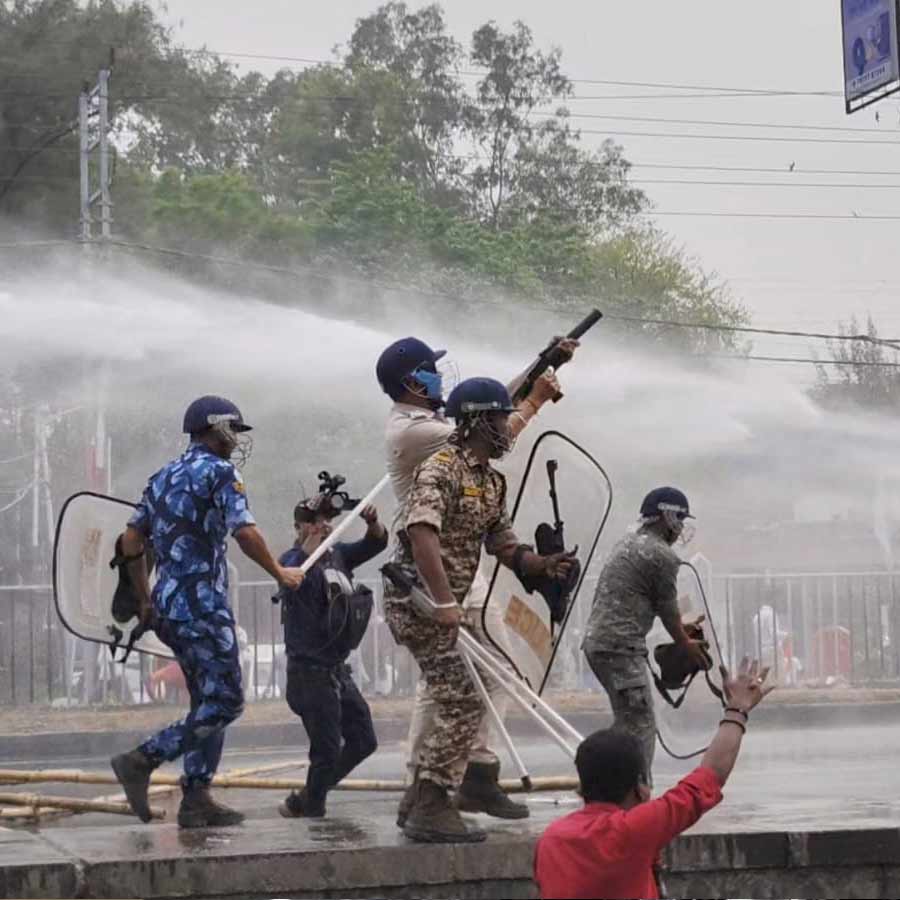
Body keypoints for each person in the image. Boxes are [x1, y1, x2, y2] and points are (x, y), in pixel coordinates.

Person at [377, 335, 576, 823]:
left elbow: (501, 539)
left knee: (481, 676)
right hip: (427, 590)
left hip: (459, 581)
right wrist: (533, 399)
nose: (503, 427)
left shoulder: (485, 474)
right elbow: (422, 530)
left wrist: (538, 564)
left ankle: (445, 785)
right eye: (429, 369)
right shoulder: (427, 445)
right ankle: (434, 795)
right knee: (461, 689)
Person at [110, 395, 304, 828]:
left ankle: (196, 797)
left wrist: (144, 598)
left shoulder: (162, 476)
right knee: (227, 701)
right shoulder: (220, 472)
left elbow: (129, 540)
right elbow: (246, 533)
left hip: (168, 608)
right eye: (233, 430)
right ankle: (142, 759)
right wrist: (279, 573)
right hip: (202, 606)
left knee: (205, 698)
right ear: (213, 427)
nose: (236, 440)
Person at [534, 657, 774, 900]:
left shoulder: (551, 840)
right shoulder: (633, 830)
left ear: (581, 787)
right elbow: (710, 776)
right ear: (639, 788)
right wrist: (737, 710)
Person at [581, 486, 709, 785]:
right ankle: (635, 793)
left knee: (626, 721)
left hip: (602, 644)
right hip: (620, 649)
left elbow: (649, 602)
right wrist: (686, 643)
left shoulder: (630, 543)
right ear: (667, 516)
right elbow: (666, 609)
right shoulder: (661, 556)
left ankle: (613, 789)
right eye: (679, 519)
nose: (680, 529)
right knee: (638, 725)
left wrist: (681, 631)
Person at [277, 489, 388, 818]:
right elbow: (289, 580)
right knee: (325, 751)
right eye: (312, 523)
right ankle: (313, 809)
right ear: (299, 526)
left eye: (325, 522)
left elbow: (375, 544)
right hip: (308, 675)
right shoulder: (292, 561)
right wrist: (309, 546)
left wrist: (373, 523)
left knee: (363, 740)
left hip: (337, 671)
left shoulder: (338, 555)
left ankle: (308, 796)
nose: (321, 527)